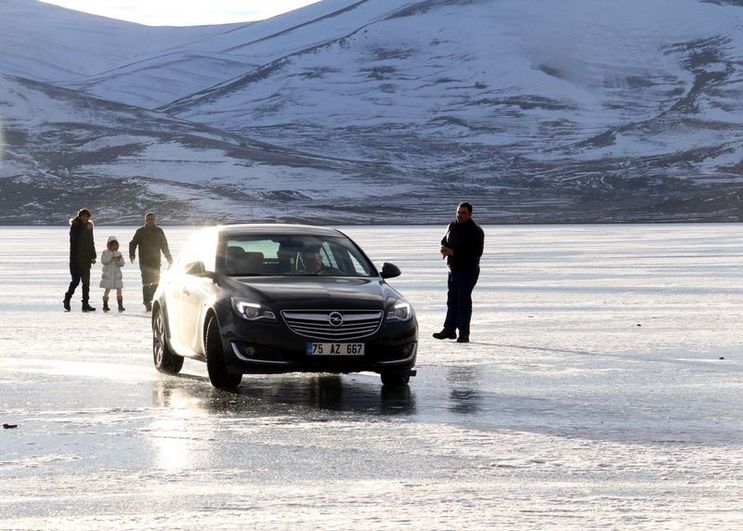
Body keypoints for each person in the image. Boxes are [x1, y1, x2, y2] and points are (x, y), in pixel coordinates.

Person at [433, 201, 484, 343]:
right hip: (452, 269)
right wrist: (444, 248)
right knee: (452, 301)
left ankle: (464, 333)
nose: (459, 215)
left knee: (463, 302)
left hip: (468, 271)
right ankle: (449, 330)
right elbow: (443, 240)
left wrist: (454, 252)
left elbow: (476, 253)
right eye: (458, 212)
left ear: (470, 214)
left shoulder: (476, 231)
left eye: (463, 213)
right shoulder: (452, 226)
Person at [129, 212, 173, 312]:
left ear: (155, 220)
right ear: (145, 220)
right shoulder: (140, 231)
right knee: (146, 282)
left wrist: (169, 258)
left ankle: (153, 301)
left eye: (152, 219)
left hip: (156, 262)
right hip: (144, 262)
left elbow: (164, 246)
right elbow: (133, 243)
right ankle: (147, 303)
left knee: (155, 282)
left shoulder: (159, 231)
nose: (150, 221)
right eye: (148, 219)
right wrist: (132, 254)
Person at [63, 208, 97, 312]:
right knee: (76, 281)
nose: (85, 218)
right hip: (76, 260)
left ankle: (85, 304)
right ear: (79, 216)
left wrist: (93, 255)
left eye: (87, 216)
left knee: (86, 283)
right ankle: (67, 299)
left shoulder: (89, 227)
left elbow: (91, 242)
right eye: (83, 216)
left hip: (86, 260)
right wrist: (84, 227)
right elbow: (74, 240)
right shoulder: (75, 227)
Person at [100, 236, 126, 313]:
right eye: (112, 245)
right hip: (108, 275)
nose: (114, 246)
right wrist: (111, 258)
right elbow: (104, 261)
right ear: (109, 245)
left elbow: (122, 264)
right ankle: (105, 305)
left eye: (115, 245)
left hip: (117, 275)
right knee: (107, 290)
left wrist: (118, 260)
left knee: (119, 290)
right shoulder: (105, 252)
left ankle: (120, 306)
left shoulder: (119, 253)